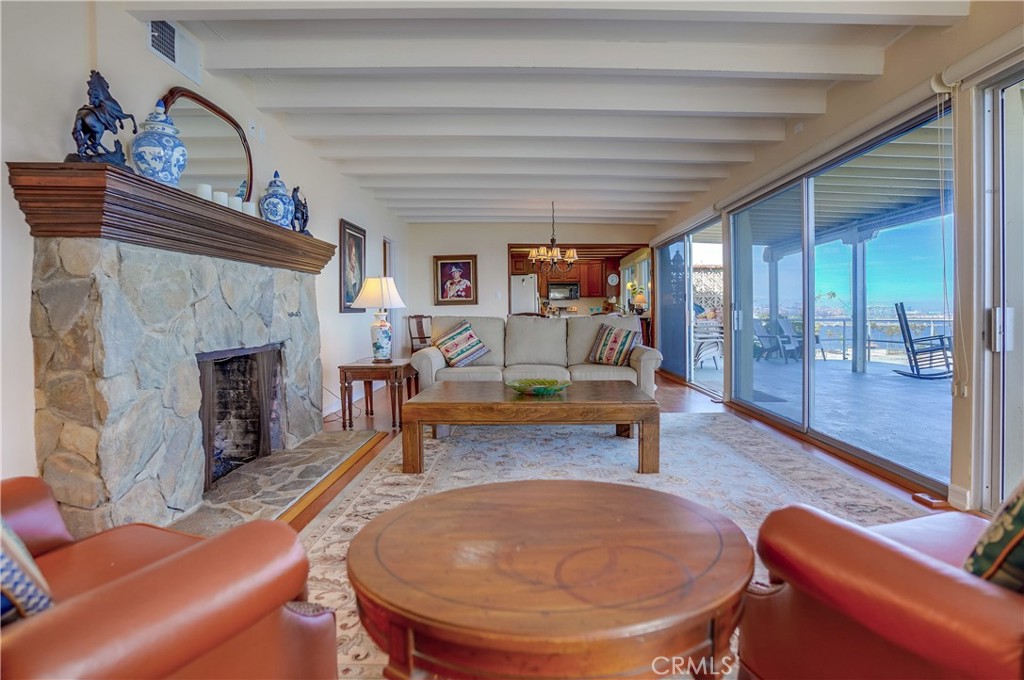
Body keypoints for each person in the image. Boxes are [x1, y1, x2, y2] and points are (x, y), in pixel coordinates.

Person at [344, 237, 361, 304]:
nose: (355, 259)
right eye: (353, 255)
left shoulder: (356, 277)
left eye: (355, 255)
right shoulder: (345, 278)